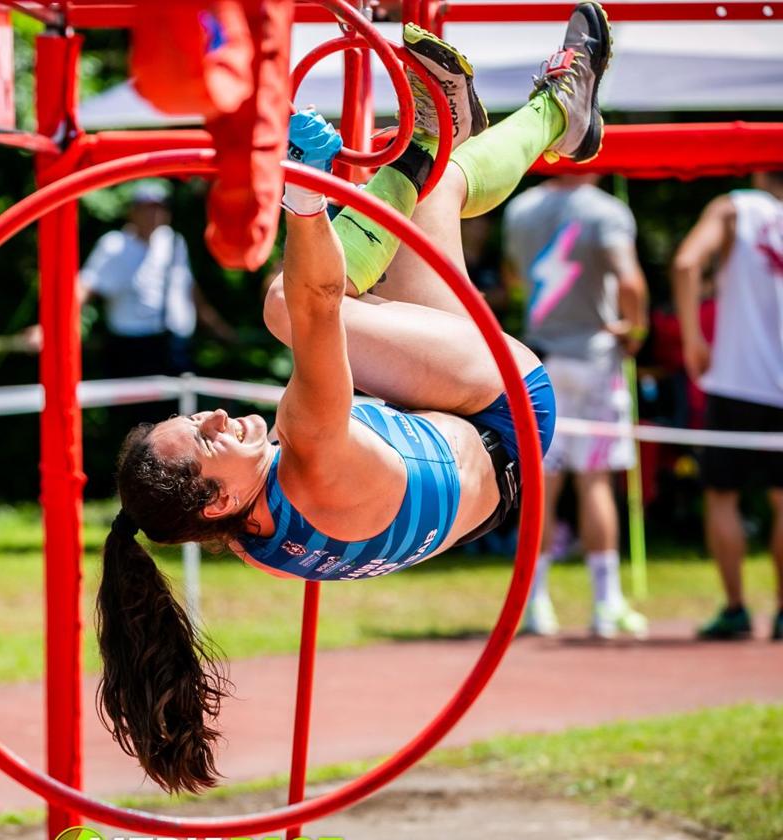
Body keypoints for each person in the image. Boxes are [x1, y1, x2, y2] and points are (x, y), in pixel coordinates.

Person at [95, 4, 609, 794]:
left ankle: (542, 120)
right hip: (503, 407)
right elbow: (317, 302)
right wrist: (304, 196)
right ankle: (447, 139)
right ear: (220, 500)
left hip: (477, 442)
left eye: (193, 419)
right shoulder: (310, 459)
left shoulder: (250, 529)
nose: (217, 417)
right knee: (282, 305)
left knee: (440, 194)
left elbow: (327, 309)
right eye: (205, 437)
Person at [502, 173, 650, 639]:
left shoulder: (520, 208)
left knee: (543, 484)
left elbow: (513, 277)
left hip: (540, 360)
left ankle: (536, 604)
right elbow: (630, 281)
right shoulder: (604, 209)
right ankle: (606, 604)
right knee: (596, 481)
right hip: (593, 356)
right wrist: (636, 330)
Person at [672, 170, 783, 641]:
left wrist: (693, 338)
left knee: (722, 496)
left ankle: (736, 609)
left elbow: (684, 263)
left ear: (758, 165)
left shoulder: (736, 206)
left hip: (736, 379)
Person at [78, 180, 235, 377]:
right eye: (147, 208)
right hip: (130, 347)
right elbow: (86, 285)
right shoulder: (114, 245)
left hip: (173, 345)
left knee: (178, 405)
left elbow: (187, 286)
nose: (154, 215)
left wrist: (216, 326)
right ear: (132, 211)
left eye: (160, 208)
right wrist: (54, 327)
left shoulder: (173, 241)